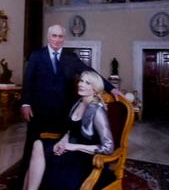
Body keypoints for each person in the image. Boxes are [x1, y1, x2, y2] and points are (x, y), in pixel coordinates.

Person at [8, 71, 115, 190]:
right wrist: (63, 141)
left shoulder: (97, 110)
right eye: (81, 80)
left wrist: (72, 146)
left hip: (85, 159)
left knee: (40, 162)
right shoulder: (78, 102)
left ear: (95, 89)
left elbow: (108, 147)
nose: (81, 84)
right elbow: (71, 129)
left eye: (87, 83)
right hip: (71, 147)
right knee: (37, 145)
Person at [18, 24, 111, 169]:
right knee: (32, 145)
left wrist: (112, 88)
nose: (57, 39)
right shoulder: (37, 55)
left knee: (58, 148)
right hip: (38, 111)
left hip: (63, 112)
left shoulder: (71, 57)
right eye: (54, 36)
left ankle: (49, 174)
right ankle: (27, 172)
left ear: (64, 38)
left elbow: (90, 71)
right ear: (48, 37)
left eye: (60, 36)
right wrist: (25, 103)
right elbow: (28, 81)